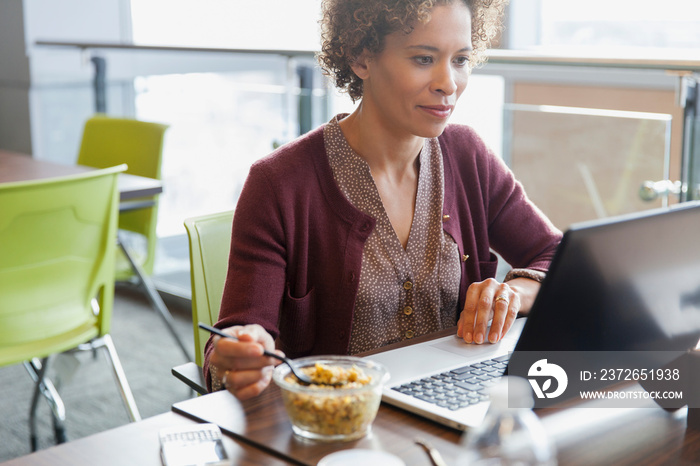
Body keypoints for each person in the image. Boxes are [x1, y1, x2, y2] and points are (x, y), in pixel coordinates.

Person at [205, 0, 562, 400]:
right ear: (361, 57)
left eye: (460, 60)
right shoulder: (278, 183)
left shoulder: (467, 155)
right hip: (336, 426)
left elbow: (556, 254)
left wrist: (515, 291)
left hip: (452, 405)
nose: (449, 82)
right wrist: (240, 352)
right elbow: (233, 342)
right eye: (424, 58)